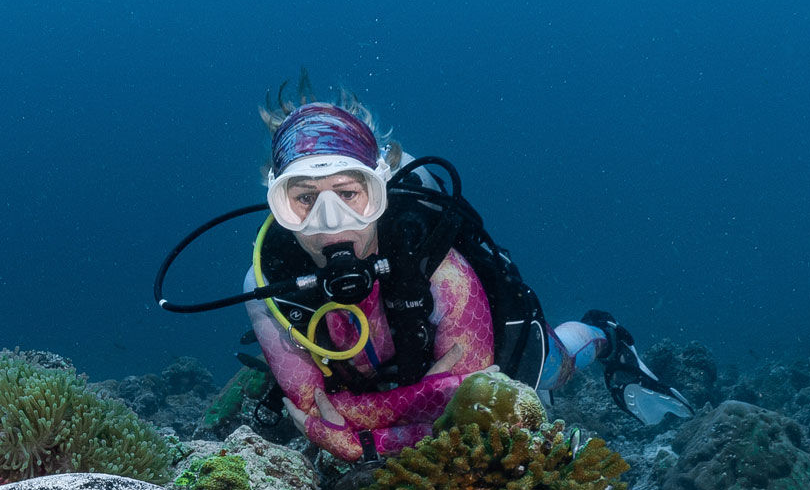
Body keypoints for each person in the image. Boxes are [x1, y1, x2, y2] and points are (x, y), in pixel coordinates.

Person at [169, 89, 693, 464]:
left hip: (463, 360)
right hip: (381, 373)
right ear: (278, 202)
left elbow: (468, 390)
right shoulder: (265, 286)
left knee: (548, 366)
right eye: (304, 199)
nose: (330, 224)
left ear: (380, 191)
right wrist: (380, 418)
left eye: (350, 195)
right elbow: (310, 409)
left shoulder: (431, 255)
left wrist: (364, 437)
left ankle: (605, 336)